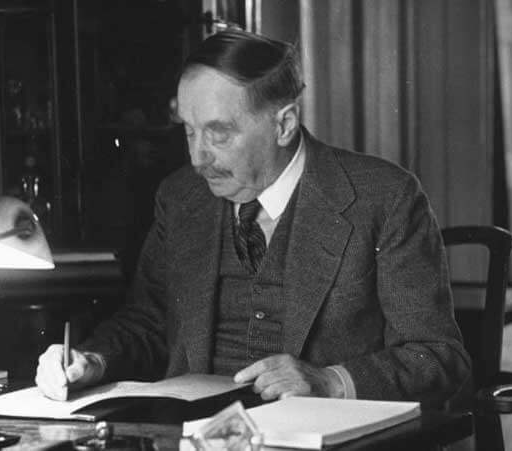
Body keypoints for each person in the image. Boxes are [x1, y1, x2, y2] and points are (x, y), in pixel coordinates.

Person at [36, 30, 470, 405]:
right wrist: (92, 361)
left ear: (284, 125)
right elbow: (148, 324)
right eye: (189, 131)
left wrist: (332, 381)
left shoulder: (383, 197)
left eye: (218, 134)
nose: (197, 157)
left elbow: (438, 356)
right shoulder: (181, 197)